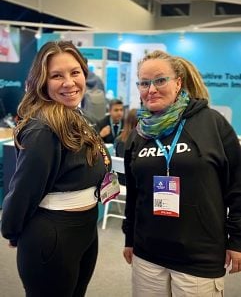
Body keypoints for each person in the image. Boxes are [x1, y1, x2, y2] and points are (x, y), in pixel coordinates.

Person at [122, 50, 241, 296]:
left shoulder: (212, 123)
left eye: (160, 80)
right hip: (148, 254)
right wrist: (129, 238)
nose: (151, 89)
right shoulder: (140, 133)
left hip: (198, 256)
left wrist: (238, 240)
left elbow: (238, 187)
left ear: (178, 82)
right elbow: (134, 194)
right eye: (144, 83)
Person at [1, 41, 111, 297]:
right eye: (56, 75)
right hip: (53, 235)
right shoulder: (42, 128)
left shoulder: (77, 115)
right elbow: (23, 190)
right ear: (42, 81)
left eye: (75, 72)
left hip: (84, 227)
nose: (69, 82)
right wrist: (12, 229)